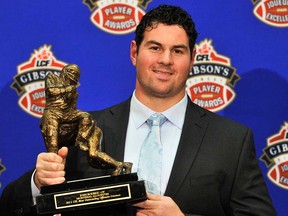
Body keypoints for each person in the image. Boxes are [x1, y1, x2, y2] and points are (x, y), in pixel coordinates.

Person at [0, 4, 276, 216]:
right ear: (135, 52)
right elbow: (10, 206)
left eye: (178, 51)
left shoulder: (232, 140)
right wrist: (39, 181)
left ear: (192, 59)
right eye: (155, 47)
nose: (165, 60)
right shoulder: (85, 127)